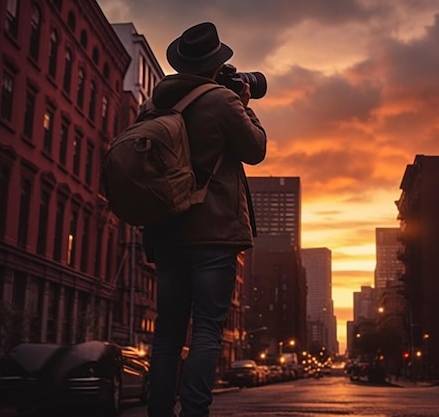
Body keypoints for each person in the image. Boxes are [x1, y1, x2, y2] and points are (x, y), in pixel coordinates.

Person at [143, 22, 267, 417]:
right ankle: (194, 412)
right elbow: (256, 149)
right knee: (208, 330)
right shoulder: (220, 101)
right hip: (212, 234)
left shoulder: (156, 103)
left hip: (166, 233)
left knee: (167, 333)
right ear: (217, 64)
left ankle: (158, 411)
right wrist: (245, 104)